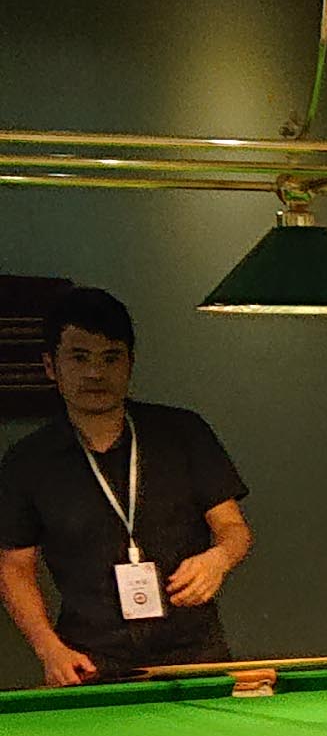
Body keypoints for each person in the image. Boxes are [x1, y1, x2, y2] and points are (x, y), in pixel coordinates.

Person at [0, 287, 252, 688]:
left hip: (194, 655)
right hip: (88, 661)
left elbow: (234, 529)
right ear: (51, 366)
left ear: (130, 364)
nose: (95, 373)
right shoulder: (27, 462)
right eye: (79, 358)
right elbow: (14, 568)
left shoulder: (183, 432)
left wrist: (218, 559)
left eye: (110, 357)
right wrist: (48, 649)